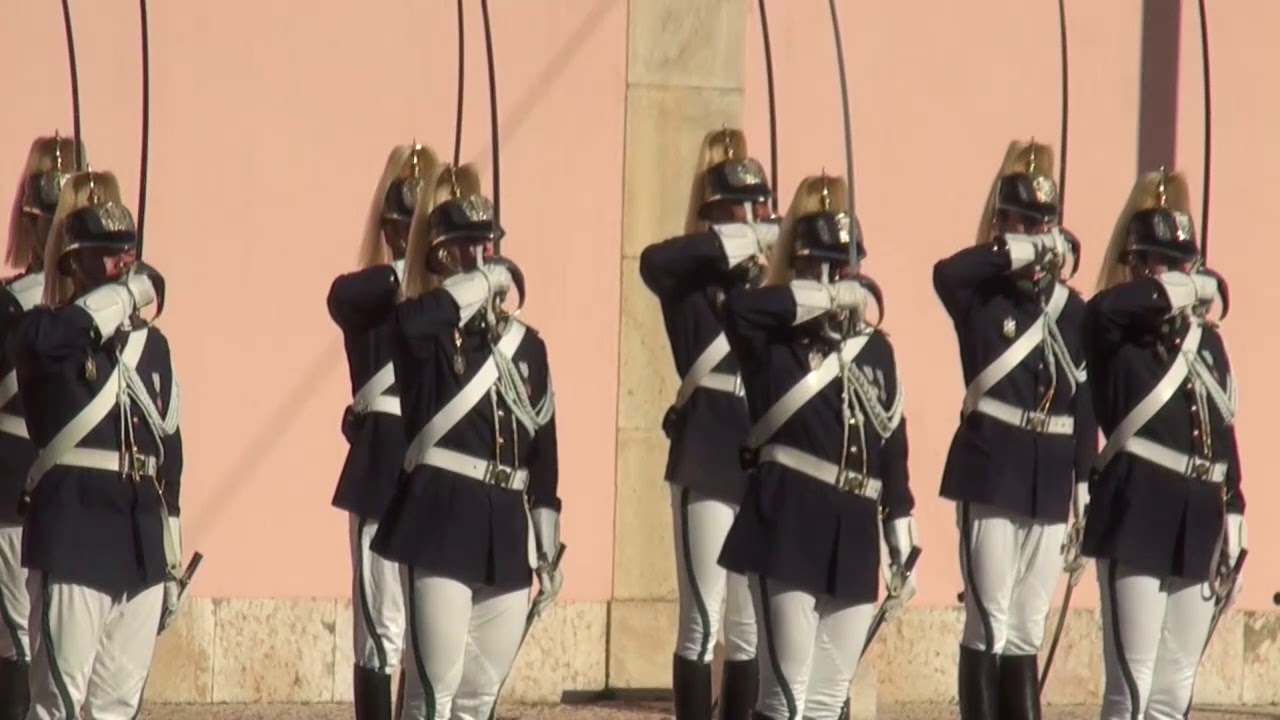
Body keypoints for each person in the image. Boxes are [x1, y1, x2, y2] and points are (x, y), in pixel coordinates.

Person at [719, 174, 917, 720]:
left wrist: (900, 523)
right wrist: (820, 296)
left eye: (842, 267)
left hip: (854, 529)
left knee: (827, 703)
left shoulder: (874, 349)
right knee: (784, 699)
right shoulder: (771, 340)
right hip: (787, 520)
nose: (836, 277)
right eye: (820, 266)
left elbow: (890, 438)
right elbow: (737, 310)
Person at [371, 162, 564, 720]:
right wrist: (478, 285)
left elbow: (543, 448)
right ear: (440, 256)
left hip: (505, 527)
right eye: (464, 247)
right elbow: (408, 324)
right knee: (432, 695)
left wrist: (547, 540)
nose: (479, 255)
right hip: (439, 518)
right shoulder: (425, 330)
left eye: (486, 245)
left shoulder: (526, 346)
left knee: (479, 700)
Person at [9, 169, 184, 720]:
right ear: (73, 262)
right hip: (75, 533)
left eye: (126, 252)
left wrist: (172, 553)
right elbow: (61, 335)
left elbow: (170, 454)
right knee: (57, 704)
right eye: (107, 254)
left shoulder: (153, 347)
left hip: (139, 542)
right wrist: (124, 295)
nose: (121, 263)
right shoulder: (42, 333)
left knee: (115, 708)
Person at [932, 139, 1096, 719]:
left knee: (1026, 629)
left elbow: (1084, 402)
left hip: (1049, 478)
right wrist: (1011, 250)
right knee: (988, 622)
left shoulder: (1072, 311)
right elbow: (945, 272)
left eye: (1040, 223)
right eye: (1018, 221)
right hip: (990, 467)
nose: (1031, 233)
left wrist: (1084, 482)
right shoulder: (980, 297)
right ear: (1000, 222)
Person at [1082, 169, 1244, 720]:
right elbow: (1108, 308)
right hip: (1138, 506)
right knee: (1132, 687)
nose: (1164, 272)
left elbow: (1223, 429)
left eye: (1175, 262)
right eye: (1152, 261)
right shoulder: (1113, 329)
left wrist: (1235, 508)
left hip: (1199, 514)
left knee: (1173, 693)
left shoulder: (1206, 342)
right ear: (1133, 264)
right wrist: (1181, 287)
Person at [638, 128, 771, 720]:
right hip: (708, 449)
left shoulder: (769, 282)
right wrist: (733, 241)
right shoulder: (689, 280)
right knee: (701, 621)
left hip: (759, 451)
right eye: (734, 211)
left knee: (748, 629)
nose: (749, 219)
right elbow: (654, 261)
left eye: (756, 209)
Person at [327, 143, 439, 720]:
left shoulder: (448, 304)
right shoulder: (371, 294)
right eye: (406, 228)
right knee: (380, 631)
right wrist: (410, 269)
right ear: (391, 229)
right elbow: (342, 297)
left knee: (430, 634)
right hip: (380, 473)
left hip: (437, 476)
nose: (411, 237)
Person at [0, 133, 82, 720]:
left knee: (23, 645)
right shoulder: (103, 318)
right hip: (59, 501)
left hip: (25, 492)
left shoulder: (14, 308)